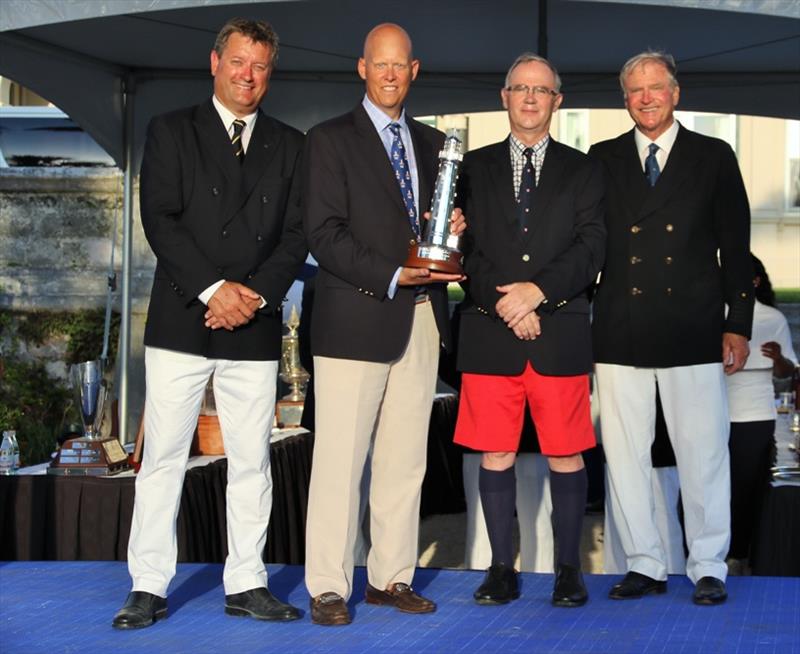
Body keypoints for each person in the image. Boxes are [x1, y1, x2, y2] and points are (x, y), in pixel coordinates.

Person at [112, 18, 306, 629]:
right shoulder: (170, 130)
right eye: (240, 62)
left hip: (253, 320)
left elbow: (297, 234)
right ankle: (147, 585)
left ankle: (246, 582)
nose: (249, 76)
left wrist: (252, 296)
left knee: (253, 461)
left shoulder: (290, 143)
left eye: (261, 67)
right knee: (163, 459)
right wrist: (214, 289)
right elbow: (160, 220)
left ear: (270, 73)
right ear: (215, 62)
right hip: (183, 318)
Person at [302, 23, 465, 626]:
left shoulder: (434, 145)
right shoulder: (328, 140)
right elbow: (323, 233)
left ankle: (391, 578)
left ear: (414, 71)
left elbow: (433, 228)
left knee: (404, 462)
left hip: (422, 321)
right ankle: (327, 585)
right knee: (340, 462)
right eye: (381, 64)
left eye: (401, 65)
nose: (391, 74)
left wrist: (451, 236)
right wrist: (397, 273)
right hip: (355, 320)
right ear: (362, 68)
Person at [589, 50, 754, 606]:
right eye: (635, 90)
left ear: (675, 92)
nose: (646, 98)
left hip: (693, 324)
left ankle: (708, 564)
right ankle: (645, 562)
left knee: (703, 452)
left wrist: (739, 322)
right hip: (619, 325)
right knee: (625, 454)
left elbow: (735, 249)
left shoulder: (714, 155)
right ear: (626, 99)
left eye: (655, 87)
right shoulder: (602, 156)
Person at [453, 53, 606, 608]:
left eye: (542, 90)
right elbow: (463, 249)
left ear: (557, 101)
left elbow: (591, 246)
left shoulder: (584, 169)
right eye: (520, 88)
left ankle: (569, 570)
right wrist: (509, 304)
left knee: (567, 455)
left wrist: (536, 294)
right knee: (495, 455)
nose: (531, 98)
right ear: (504, 96)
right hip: (491, 334)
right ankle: (500, 568)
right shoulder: (469, 167)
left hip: (559, 331)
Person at [726, 254, 798, 570]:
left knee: (747, 489)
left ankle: (742, 555)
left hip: (756, 416)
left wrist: (778, 357)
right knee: (718, 488)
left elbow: (787, 372)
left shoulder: (772, 318)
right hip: (715, 412)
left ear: (755, 282)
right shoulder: (713, 316)